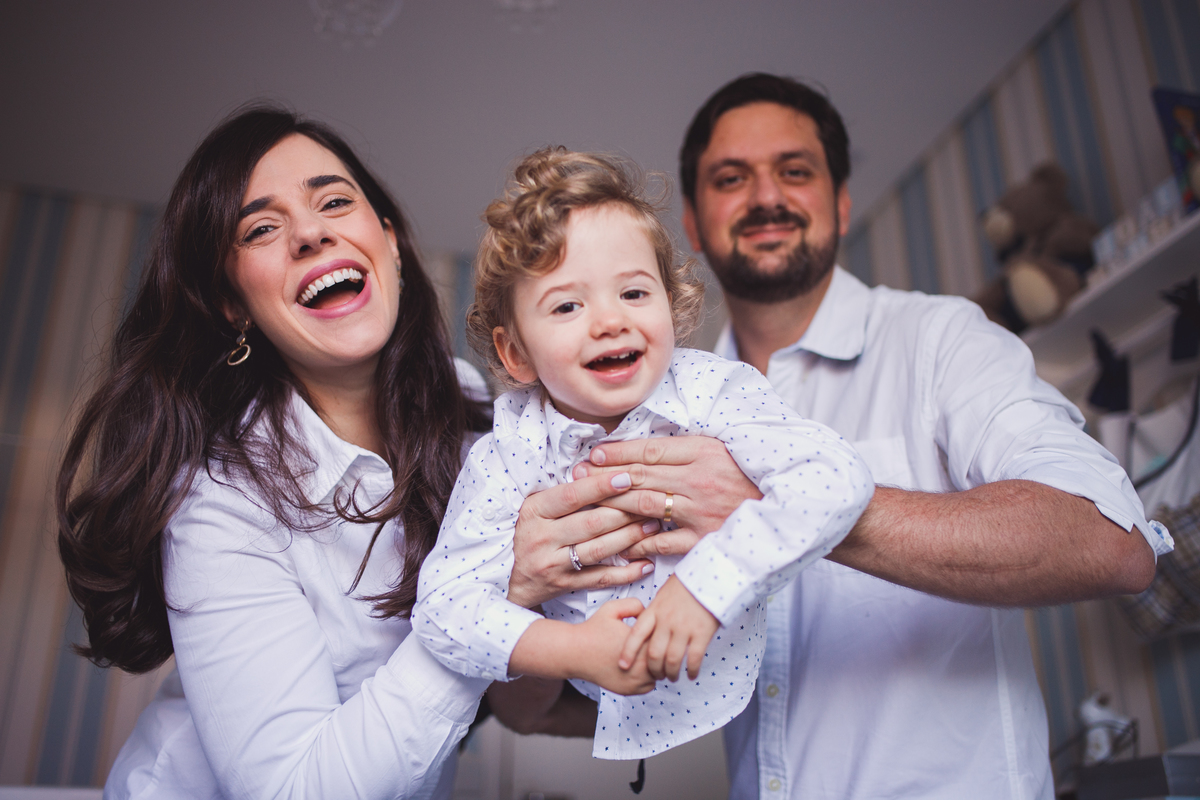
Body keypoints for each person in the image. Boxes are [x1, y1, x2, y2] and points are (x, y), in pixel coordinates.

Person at [558, 73, 1174, 799]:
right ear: (692, 223)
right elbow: (592, 691)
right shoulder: (653, 418)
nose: (765, 197)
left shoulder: (942, 341)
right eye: (731, 178)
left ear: (841, 203)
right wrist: (527, 599)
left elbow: (1112, 543)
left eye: (795, 171)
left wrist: (781, 510)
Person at [55, 108, 655, 800]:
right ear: (232, 303)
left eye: (334, 201)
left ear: (391, 243)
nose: (311, 232)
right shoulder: (219, 496)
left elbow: (523, 700)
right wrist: (495, 595)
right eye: (261, 228)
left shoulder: (473, 418)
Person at [412, 148, 873, 761]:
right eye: (567, 306)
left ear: (669, 303)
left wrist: (706, 588)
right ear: (515, 351)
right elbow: (444, 609)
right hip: (585, 688)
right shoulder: (507, 458)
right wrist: (572, 651)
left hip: (736, 660)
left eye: (632, 292)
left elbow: (833, 477)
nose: (608, 320)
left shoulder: (714, 392)